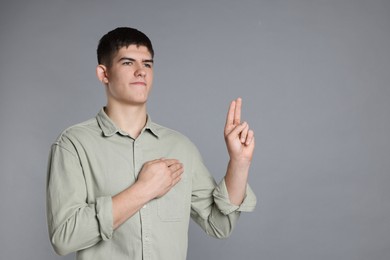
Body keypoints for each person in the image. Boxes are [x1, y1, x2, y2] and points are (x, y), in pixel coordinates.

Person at [46, 27, 256, 260]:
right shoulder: (73, 144)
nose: (140, 72)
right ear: (103, 74)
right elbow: (64, 237)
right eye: (128, 63)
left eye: (147, 64)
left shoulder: (180, 147)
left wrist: (239, 162)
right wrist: (144, 190)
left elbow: (219, 225)